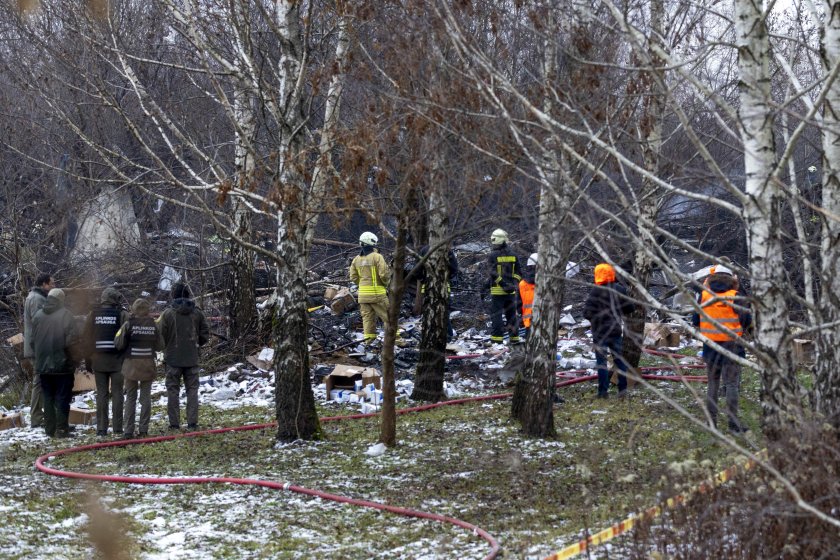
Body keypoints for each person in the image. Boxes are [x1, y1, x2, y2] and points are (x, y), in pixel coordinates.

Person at [692, 264, 752, 433]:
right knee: (732, 384)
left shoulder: (704, 296)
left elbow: (695, 321)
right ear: (732, 279)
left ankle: (712, 424)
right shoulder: (736, 296)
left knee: (713, 384)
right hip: (732, 347)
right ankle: (733, 425)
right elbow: (746, 321)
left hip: (710, 347)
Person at [30, 288, 82, 438]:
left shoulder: (38, 316)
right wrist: (75, 360)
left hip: (43, 366)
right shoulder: (66, 315)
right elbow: (72, 342)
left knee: (48, 396)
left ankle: (50, 429)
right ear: (61, 300)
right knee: (62, 397)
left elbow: (33, 342)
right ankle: (62, 429)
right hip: (62, 365)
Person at [158, 283, 210, 431]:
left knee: (173, 391)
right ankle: (192, 423)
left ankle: (174, 424)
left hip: (173, 359)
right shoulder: (197, 313)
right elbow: (205, 333)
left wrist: (166, 347)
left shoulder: (167, 314)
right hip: (192, 358)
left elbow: (161, 335)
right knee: (192, 390)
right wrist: (197, 344)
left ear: (173, 295)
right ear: (188, 294)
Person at [583, 263, 635, 398]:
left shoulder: (595, 291)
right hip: (615, 331)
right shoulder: (619, 290)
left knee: (601, 363)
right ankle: (622, 391)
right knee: (619, 361)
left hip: (599, 332)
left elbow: (586, 313)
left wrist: (595, 320)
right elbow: (630, 308)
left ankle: (602, 392)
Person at [83, 287, 130, 437]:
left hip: (98, 361)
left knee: (101, 394)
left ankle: (101, 428)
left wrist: (88, 360)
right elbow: (128, 337)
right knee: (117, 394)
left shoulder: (93, 315)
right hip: (118, 362)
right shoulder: (122, 314)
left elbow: (87, 339)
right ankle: (117, 428)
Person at [115, 298, 162, 439]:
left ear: (134, 310)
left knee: (130, 398)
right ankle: (143, 429)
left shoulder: (128, 325)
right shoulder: (154, 326)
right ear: (148, 310)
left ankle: (128, 431)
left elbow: (118, 343)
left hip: (131, 366)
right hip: (148, 365)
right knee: (145, 398)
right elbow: (161, 345)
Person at [349, 232, 392, 345]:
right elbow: (384, 274)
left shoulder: (356, 259)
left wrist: (363, 285)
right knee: (389, 317)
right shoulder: (377, 257)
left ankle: (368, 340)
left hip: (362, 296)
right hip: (377, 294)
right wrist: (386, 284)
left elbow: (353, 277)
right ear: (373, 243)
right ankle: (396, 340)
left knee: (367, 319)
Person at [23, 273, 53, 428]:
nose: (52, 286)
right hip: (38, 349)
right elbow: (39, 325)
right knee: (39, 382)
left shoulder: (34, 296)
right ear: (44, 284)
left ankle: (39, 416)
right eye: (51, 284)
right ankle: (36, 418)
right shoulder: (36, 299)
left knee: (40, 381)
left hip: (36, 348)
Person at [484, 229, 522, 345]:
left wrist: (503, 284)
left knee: (496, 315)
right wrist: (513, 284)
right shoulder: (514, 255)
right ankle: (514, 338)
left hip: (497, 291)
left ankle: (497, 339)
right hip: (511, 292)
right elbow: (518, 273)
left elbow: (493, 273)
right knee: (511, 315)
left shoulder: (492, 255)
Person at [415, 245, 459, 341]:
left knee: (428, 313)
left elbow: (416, 270)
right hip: (443, 287)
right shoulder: (447, 250)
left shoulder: (424, 250)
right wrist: (447, 277)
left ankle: (430, 337)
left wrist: (423, 279)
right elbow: (455, 269)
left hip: (428, 288)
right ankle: (448, 336)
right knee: (444, 312)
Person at [518, 253, 538, 340]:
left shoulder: (522, 283)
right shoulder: (545, 283)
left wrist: (521, 316)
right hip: (543, 321)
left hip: (528, 321)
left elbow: (518, 303)